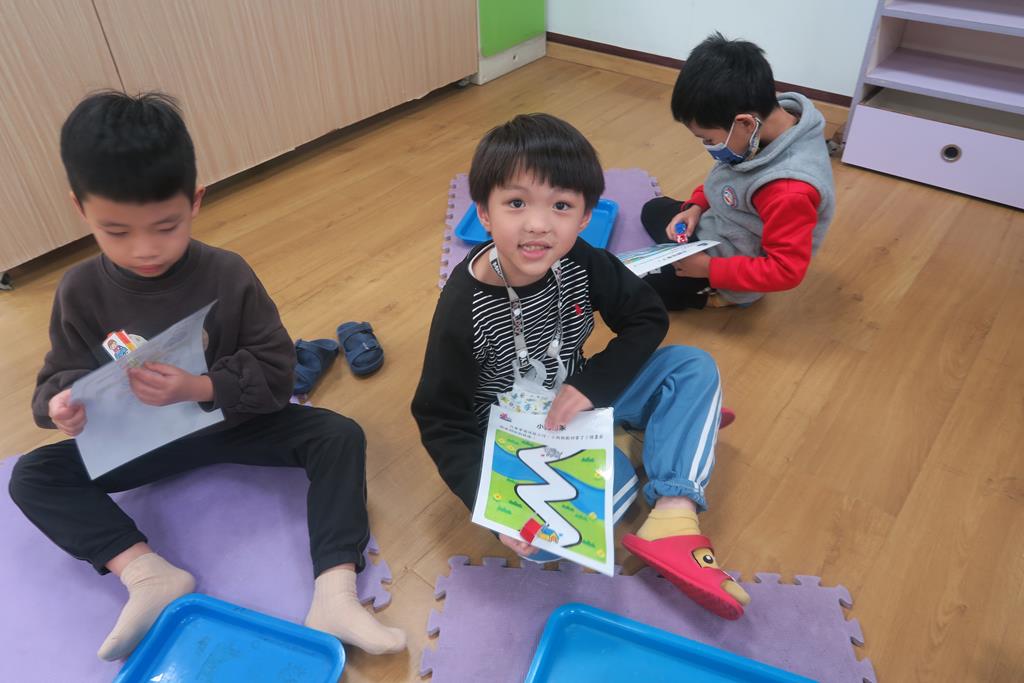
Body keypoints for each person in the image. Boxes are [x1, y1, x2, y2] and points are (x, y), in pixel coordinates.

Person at [8, 91, 405, 659]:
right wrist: (62, 405)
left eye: (165, 226)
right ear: (81, 210)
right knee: (32, 475)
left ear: (195, 201)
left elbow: (277, 368)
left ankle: (335, 593)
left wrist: (200, 387)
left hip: (231, 422)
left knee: (339, 435)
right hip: (141, 442)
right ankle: (147, 574)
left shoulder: (226, 273)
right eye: (116, 232)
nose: (145, 249)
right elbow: (59, 375)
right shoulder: (80, 289)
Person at [412, 113, 750, 619]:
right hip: (517, 438)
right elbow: (440, 419)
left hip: (581, 398)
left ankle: (673, 515)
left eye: (561, 206)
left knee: (692, 367)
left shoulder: (580, 260)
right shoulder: (464, 308)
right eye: (516, 203)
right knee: (544, 544)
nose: (538, 224)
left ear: (585, 217)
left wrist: (593, 385)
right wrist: (491, 505)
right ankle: (659, 436)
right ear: (484, 213)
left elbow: (646, 316)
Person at [641, 32, 835, 309]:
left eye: (708, 139)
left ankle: (719, 296)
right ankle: (684, 251)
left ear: (745, 123)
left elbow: (786, 271)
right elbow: (728, 180)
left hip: (729, 265)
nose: (709, 146)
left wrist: (707, 268)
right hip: (720, 224)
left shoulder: (789, 190)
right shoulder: (758, 131)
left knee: (643, 290)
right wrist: (696, 207)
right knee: (653, 209)